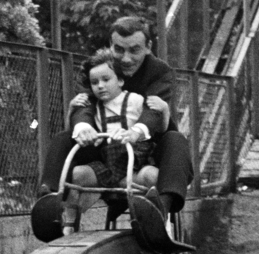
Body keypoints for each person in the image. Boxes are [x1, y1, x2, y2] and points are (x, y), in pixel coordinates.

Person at [36, 16, 195, 236]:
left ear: (148, 47)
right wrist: (83, 126)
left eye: (135, 50)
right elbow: (84, 103)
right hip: (104, 150)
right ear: (111, 46)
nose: (126, 59)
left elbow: (153, 110)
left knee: (176, 139)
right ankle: (49, 200)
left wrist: (135, 132)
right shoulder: (99, 69)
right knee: (65, 137)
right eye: (119, 50)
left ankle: (161, 205)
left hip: (143, 149)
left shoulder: (159, 72)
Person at [60, 50, 160, 232]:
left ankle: (159, 222)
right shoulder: (93, 108)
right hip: (107, 166)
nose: (100, 86)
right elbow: (70, 135)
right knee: (77, 173)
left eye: (106, 80)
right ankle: (69, 223)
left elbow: (152, 121)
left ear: (120, 81)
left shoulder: (135, 101)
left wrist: (134, 132)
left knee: (152, 175)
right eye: (95, 82)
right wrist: (70, 111)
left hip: (132, 164)